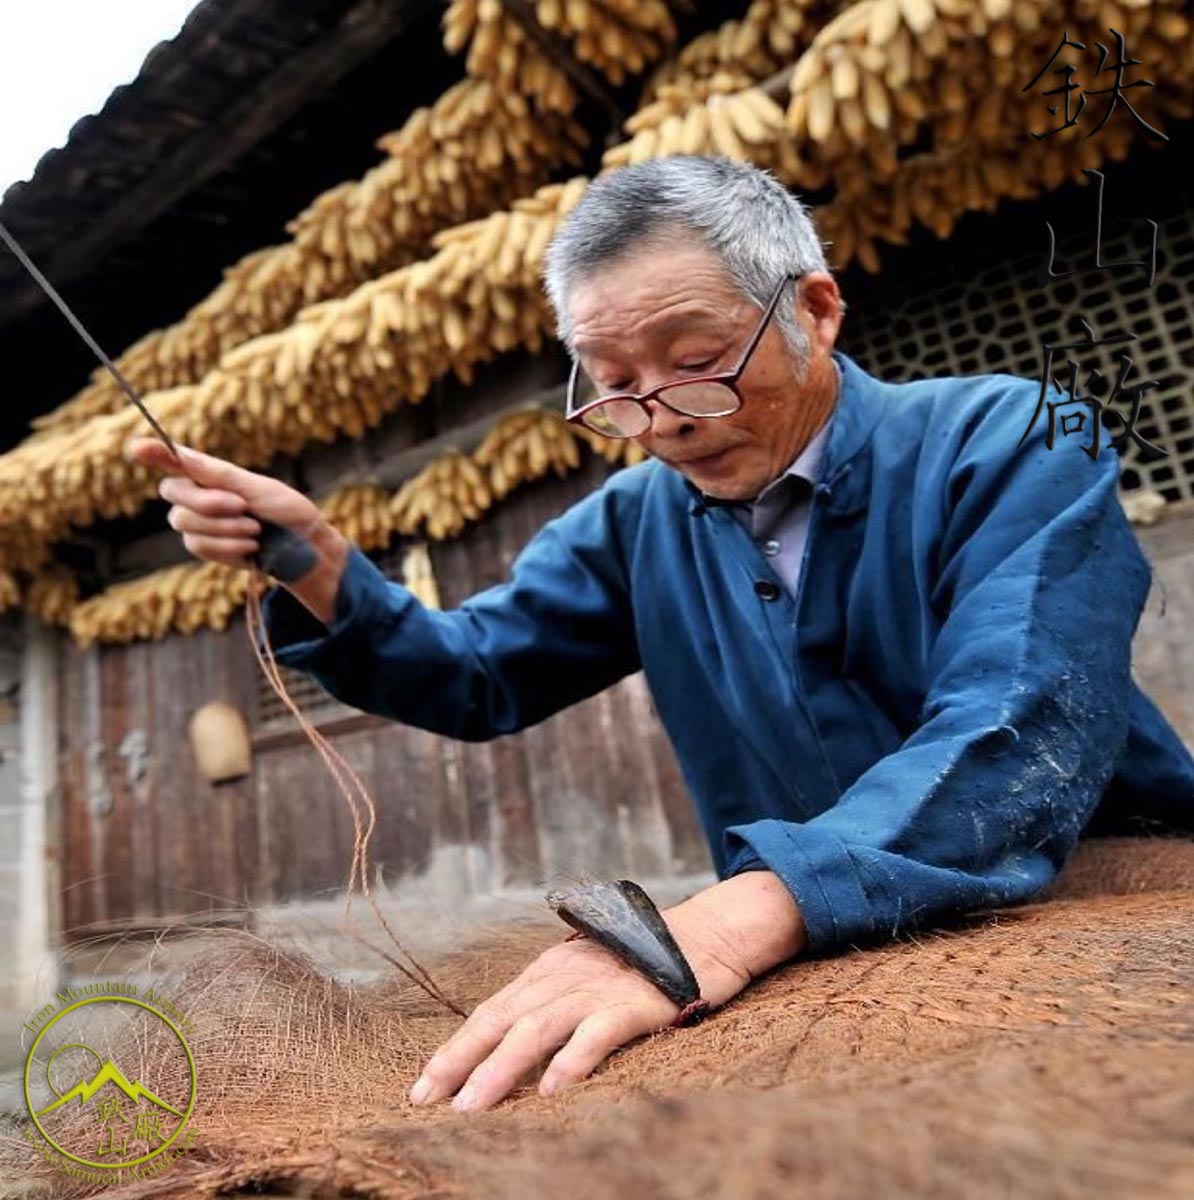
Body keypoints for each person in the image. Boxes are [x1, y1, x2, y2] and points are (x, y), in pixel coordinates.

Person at [130, 155, 1194, 1115]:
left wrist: (727, 922)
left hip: (1091, 885)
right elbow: (474, 675)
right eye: (617, 385)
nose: (664, 417)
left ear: (815, 310)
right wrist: (319, 560)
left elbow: (1017, 714)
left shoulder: (1007, 441)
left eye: (697, 360)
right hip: (811, 937)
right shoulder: (631, 525)